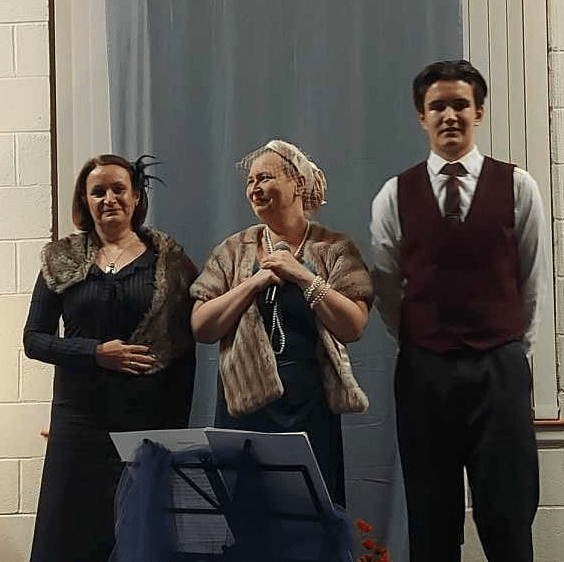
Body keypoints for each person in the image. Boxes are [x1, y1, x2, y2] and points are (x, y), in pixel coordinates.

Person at [370, 60, 549, 562]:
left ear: (479, 113)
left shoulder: (518, 186)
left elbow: (532, 280)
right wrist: (423, 340)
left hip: (499, 370)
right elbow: (386, 288)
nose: (449, 115)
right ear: (421, 117)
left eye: (460, 105)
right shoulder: (393, 195)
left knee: (508, 517)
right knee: (431, 520)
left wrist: (510, 350)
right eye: (437, 106)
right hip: (424, 373)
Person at [24, 154, 198, 562]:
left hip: (144, 422)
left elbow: (184, 353)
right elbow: (34, 340)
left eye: (118, 189)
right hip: (78, 420)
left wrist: (175, 433)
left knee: (138, 539)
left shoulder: (170, 262)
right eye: (97, 191)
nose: (109, 199)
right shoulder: (60, 258)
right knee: (64, 538)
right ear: (85, 201)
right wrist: (95, 353)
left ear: (136, 196)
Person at [190, 139, 372, 506]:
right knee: (248, 518)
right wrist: (253, 283)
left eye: (265, 178)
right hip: (244, 407)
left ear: (298, 184)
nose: (254, 188)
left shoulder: (335, 248)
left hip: (309, 408)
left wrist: (303, 275)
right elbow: (202, 327)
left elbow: (353, 326)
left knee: (311, 515)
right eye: (250, 181)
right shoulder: (232, 250)